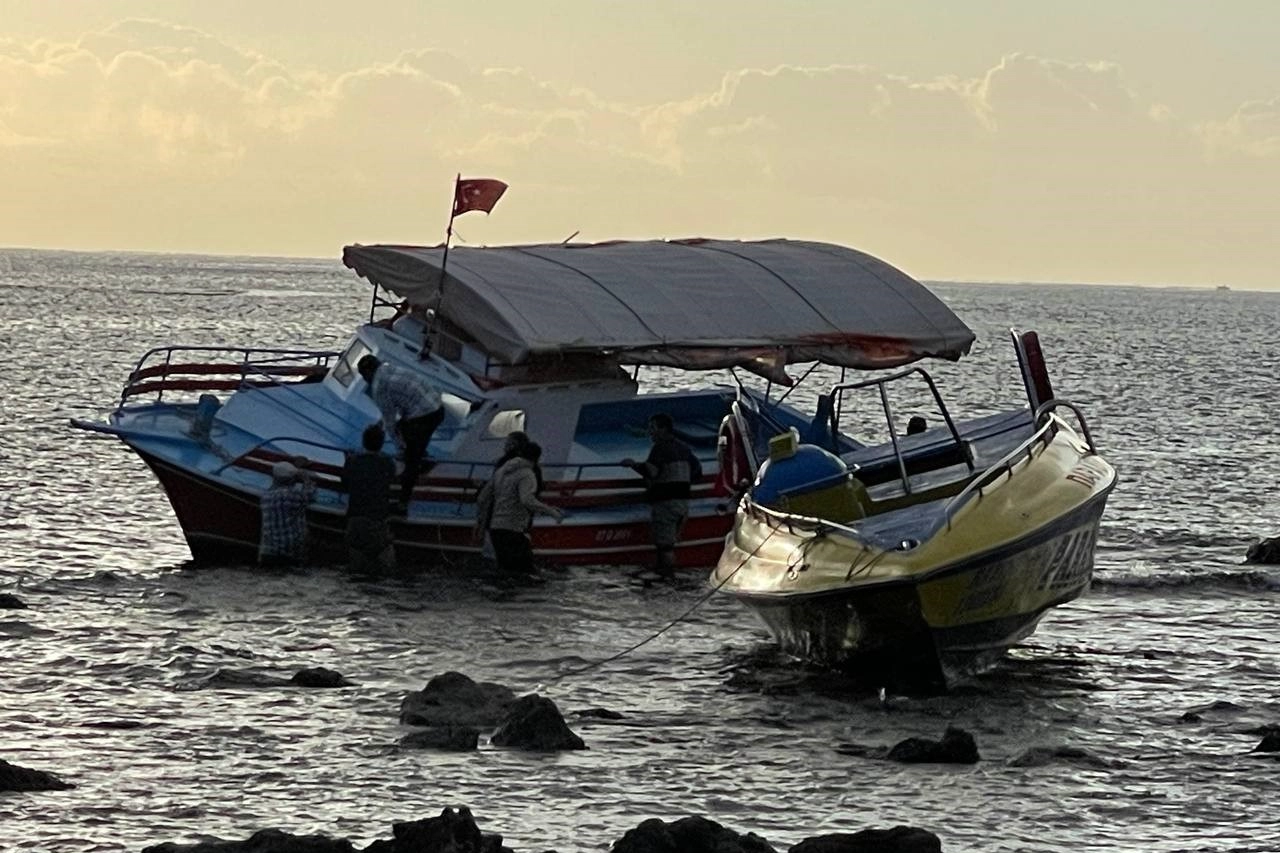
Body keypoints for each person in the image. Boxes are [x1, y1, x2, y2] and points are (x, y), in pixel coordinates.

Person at [357, 354, 445, 510]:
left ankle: (403, 502)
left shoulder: (379, 387)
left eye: (364, 377)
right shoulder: (388, 367)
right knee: (407, 430)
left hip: (424, 416)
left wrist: (401, 450)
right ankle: (423, 457)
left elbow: (390, 423)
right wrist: (383, 421)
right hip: (436, 407)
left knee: (411, 459)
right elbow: (391, 409)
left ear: (368, 374)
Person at [622, 413, 703, 577]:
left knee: (664, 547)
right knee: (669, 543)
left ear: (663, 429)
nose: (650, 432)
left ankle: (667, 579)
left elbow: (650, 471)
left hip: (666, 503)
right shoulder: (684, 448)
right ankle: (665, 574)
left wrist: (632, 465)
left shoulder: (660, 448)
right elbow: (697, 472)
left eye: (653, 428)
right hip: (683, 504)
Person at [474, 441, 563, 575]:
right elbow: (527, 500)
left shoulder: (501, 471)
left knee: (505, 571)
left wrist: (481, 521)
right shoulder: (527, 474)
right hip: (513, 529)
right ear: (537, 458)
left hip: (495, 530)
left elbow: (482, 498)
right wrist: (551, 512)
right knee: (527, 573)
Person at [342, 423, 397, 574]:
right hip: (378, 520)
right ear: (381, 443)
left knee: (355, 568)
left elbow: (345, 484)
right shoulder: (387, 463)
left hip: (355, 519)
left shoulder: (352, 461)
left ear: (363, 441)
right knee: (383, 569)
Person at [258, 458, 316, 567]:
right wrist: (306, 479)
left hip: (268, 553)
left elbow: (274, 486)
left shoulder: (265, 496)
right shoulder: (293, 495)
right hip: (290, 554)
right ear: (292, 479)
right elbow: (310, 493)